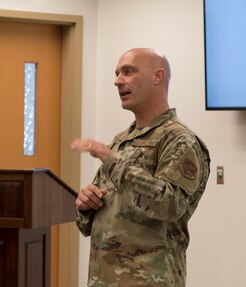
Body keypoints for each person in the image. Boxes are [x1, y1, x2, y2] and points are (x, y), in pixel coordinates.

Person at [71, 48, 210, 287]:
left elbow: (170, 205)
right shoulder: (122, 140)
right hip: (104, 278)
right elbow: (91, 221)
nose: (117, 81)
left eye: (128, 72)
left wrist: (111, 159)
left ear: (157, 76)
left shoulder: (178, 140)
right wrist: (86, 205)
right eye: (117, 73)